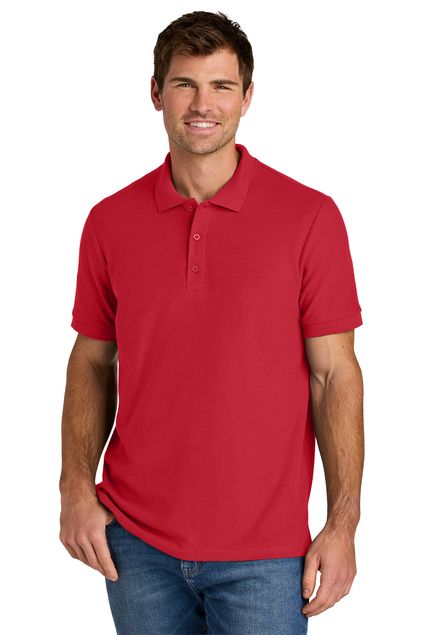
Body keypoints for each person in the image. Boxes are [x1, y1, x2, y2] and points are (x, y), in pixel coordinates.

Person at [59, 10, 364, 635]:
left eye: (221, 86)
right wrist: (73, 488)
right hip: (135, 543)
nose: (203, 105)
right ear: (156, 93)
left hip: (267, 554)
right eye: (184, 84)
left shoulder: (309, 217)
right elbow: (91, 360)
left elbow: (334, 376)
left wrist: (343, 524)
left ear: (247, 97)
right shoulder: (109, 221)